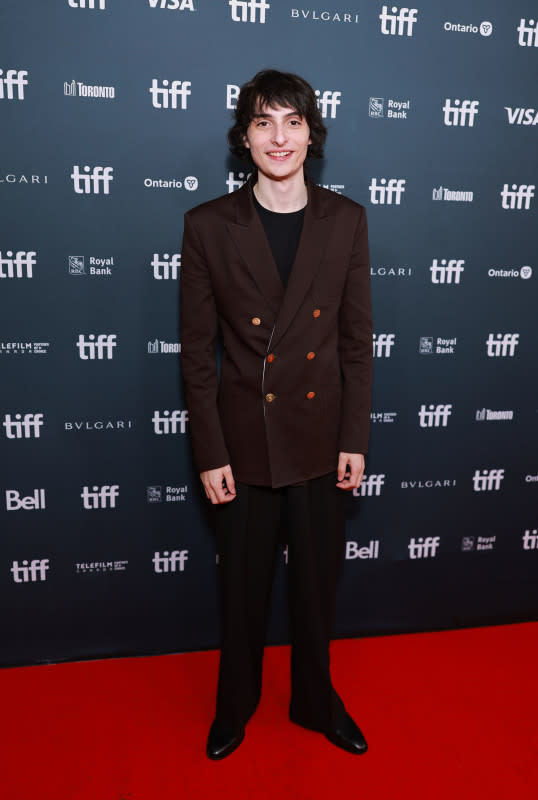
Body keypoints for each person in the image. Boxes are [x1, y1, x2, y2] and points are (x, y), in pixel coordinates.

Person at [180, 69, 373, 760]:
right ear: (244, 138)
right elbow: (197, 355)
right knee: (242, 588)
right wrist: (209, 451)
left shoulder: (346, 219)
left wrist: (356, 437)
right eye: (263, 122)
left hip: (321, 438)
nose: (279, 137)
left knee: (317, 588)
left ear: (311, 134)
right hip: (243, 442)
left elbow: (355, 340)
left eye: (292, 121)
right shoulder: (207, 226)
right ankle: (235, 706)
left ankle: (317, 703)